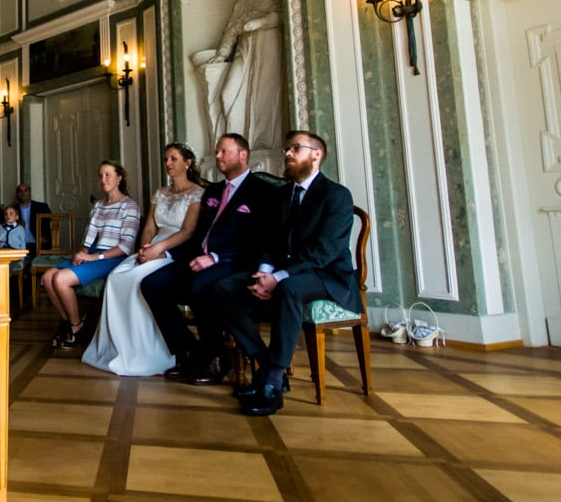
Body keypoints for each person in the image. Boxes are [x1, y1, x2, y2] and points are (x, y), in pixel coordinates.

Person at [218, 130, 358, 417]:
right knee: (224, 288)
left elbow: (325, 251)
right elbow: (268, 241)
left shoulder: (337, 195)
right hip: (283, 272)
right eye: (287, 149)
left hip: (327, 275)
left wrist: (278, 277)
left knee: (290, 289)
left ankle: (271, 382)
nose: (288, 154)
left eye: (296, 148)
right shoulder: (281, 195)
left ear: (316, 155)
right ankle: (268, 363)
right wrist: (264, 272)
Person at [140, 133, 280, 385]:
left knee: (198, 286)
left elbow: (260, 240)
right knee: (152, 284)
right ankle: (187, 349)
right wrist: (167, 253)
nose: (217, 157)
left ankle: (216, 357)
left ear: (243, 154)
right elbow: (195, 235)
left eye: (224, 152)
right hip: (198, 258)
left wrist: (216, 257)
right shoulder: (212, 191)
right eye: (217, 152)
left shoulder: (264, 192)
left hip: (235, 262)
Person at [83, 143, 205, 376]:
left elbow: (188, 231)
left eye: (174, 159)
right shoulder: (160, 193)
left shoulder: (196, 193)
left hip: (175, 249)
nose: (168, 163)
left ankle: (161, 350)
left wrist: (159, 249)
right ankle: (126, 346)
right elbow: (149, 226)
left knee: (140, 281)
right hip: (151, 246)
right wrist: (144, 248)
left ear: (187, 162)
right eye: (166, 159)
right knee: (118, 277)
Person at [191, 0, 284, 168]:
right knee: (227, 94)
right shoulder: (242, 1)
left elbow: (280, 15)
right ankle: (234, 147)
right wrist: (223, 53)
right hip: (244, 50)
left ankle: (260, 144)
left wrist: (262, 22)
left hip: (266, 47)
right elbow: (232, 29)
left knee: (264, 97)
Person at [41, 161, 140, 349]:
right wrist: (82, 254)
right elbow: (89, 236)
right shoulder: (98, 205)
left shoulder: (130, 206)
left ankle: (77, 329)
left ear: (119, 178)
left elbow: (126, 246)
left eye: (108, 175)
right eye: (100, 175)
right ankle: (70, 323)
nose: (103, 179)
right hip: (93, 255)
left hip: (113, 258)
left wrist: (94, 258)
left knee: (61, 279)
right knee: (47, 278)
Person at [13, 182, 52, 258]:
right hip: (19, 246)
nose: (23, 193)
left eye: (25, 190)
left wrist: (45, 237)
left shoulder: (42, 207)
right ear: (17, 194)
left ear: (30, 192)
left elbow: (51, 224)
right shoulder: (12, 209)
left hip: (38, 244)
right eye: (20, 191)